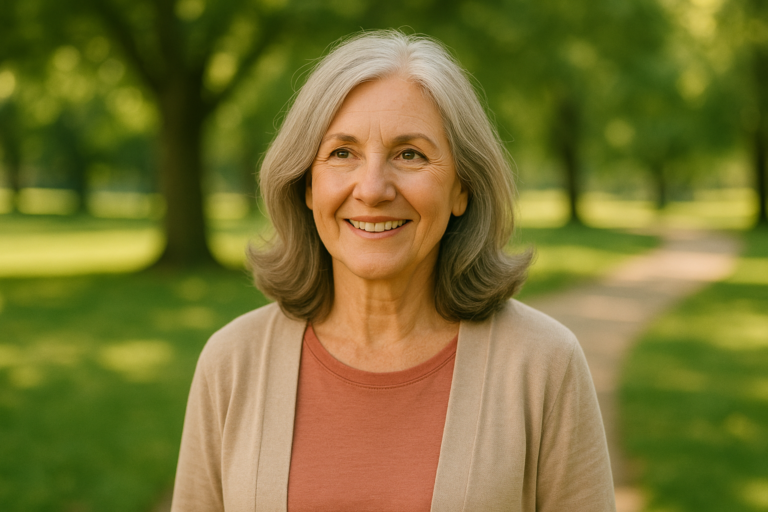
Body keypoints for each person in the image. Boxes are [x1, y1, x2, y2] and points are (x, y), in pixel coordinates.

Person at [171, 30, 615, 511]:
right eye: (342, 153)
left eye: (410, 154)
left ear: (462, 188)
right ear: (307, 185)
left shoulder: (544, 364)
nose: (373, 189)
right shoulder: (232, 363)